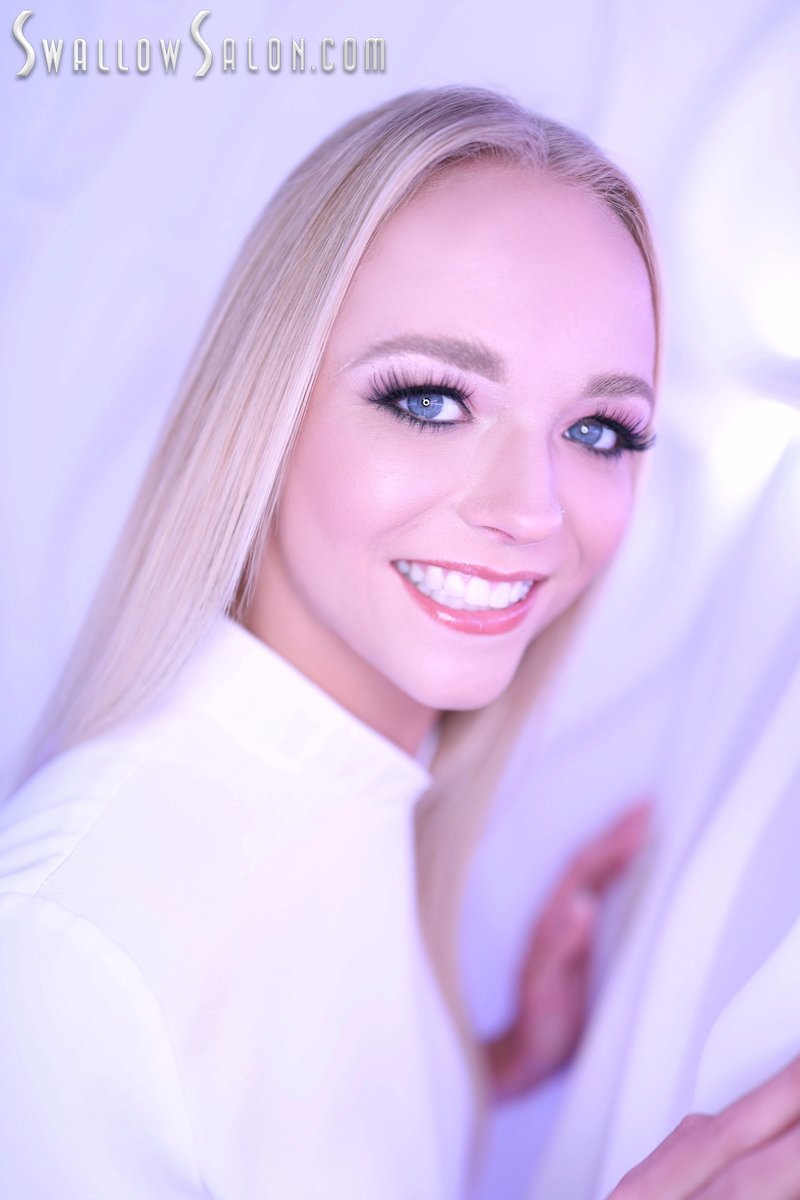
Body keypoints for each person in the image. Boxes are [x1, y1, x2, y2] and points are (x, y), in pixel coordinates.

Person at [0, 83, 660, 1198]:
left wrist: (487, 1069)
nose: (532, 509)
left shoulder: (351, 808)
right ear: (264, 406)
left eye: (598, 430)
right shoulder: (67, 955)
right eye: (430, 400)